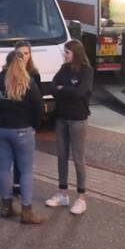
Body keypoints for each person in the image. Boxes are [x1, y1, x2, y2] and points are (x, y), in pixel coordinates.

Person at [0, 48, 44, 224]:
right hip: (22, 131)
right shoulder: (28, 83)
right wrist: (34, 126)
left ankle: (6, 207)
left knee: (4, 167)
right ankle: (27, 211)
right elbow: (39, 109)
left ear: (6, 63)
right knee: (26, 171)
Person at [45, 40, 94, 215]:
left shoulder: (86, 71)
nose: (64, 55)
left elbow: (81, 92)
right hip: (61, 117)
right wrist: (66, 89)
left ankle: (81, 197)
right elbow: (52, 88)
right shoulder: (63, 69)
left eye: (67, 52)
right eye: (64, 52)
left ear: (75, 53)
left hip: (78, 119)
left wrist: (62, 89)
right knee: (61, 156)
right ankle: (62, 193)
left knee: (78, 158)